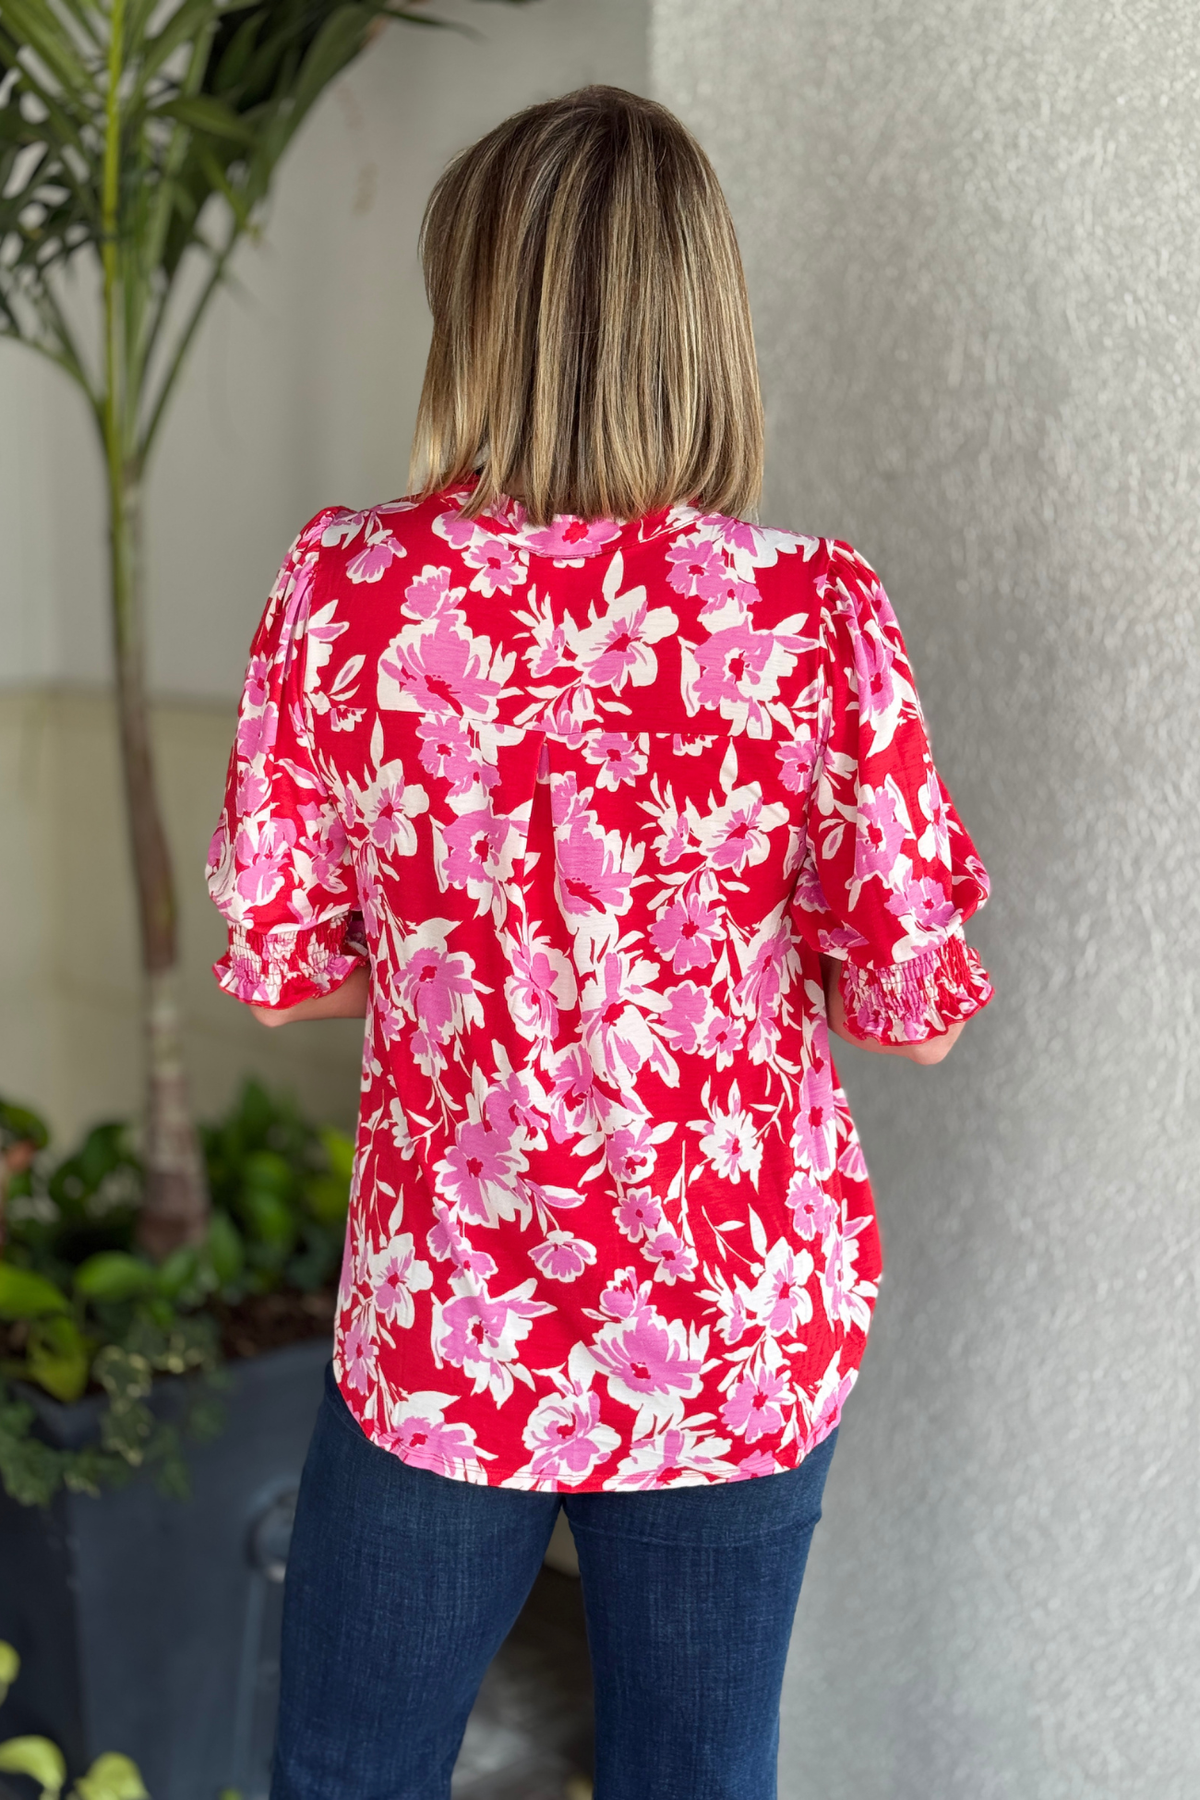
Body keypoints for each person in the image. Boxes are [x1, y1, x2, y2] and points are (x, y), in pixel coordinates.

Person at [207, 85, 993, 1800]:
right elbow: (916, 1011)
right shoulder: (810, 616)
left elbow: (287, 969)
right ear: (700, 321)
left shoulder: (345, 593)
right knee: (699, 1778)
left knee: (346, 1775)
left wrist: (482, 962)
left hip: (444, 1314)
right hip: (731, 1318)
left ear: (473, 314)